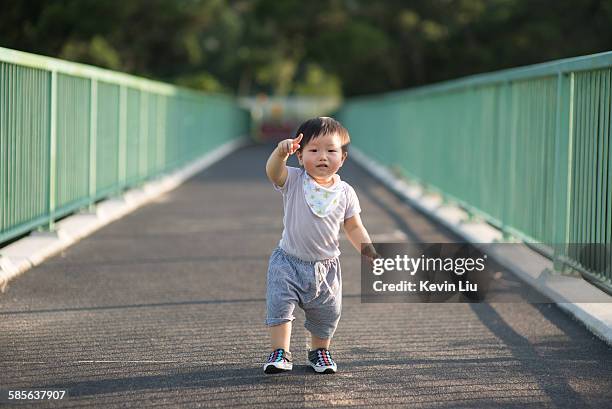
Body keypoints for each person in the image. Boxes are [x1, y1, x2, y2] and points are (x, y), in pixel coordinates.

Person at [263, 116, 378, 374]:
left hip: (326, 267)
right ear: (300, 156)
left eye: (331, 151)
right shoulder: (293, 179)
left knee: (327, 314)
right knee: (280, 306)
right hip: (288, 261)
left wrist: (367, 248)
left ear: (343, 158)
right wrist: (279, 154)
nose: (322, 156)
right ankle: (279, 351)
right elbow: (273, 172)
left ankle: (319, 351)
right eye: (314, 150)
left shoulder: (346, 192)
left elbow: (353, 226)